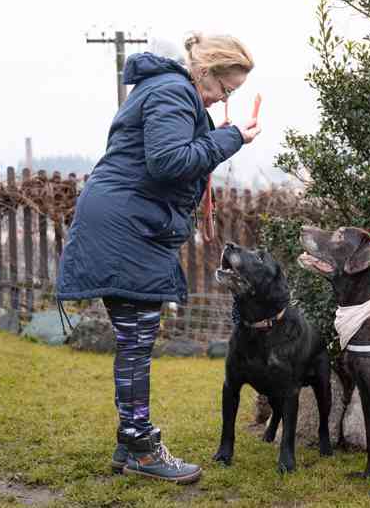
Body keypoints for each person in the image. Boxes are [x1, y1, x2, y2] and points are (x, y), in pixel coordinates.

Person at [56, 32, 260, 484]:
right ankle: (141, 449)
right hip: (127, 227)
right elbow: (168, 161)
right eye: (226, 89)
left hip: (131, 222)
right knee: (136, 342)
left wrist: (218, 138)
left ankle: (130, 441)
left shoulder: (169, 90)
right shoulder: (172, 91)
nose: (223, 99)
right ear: (205, 71)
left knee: (136, 341)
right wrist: (230, 139)